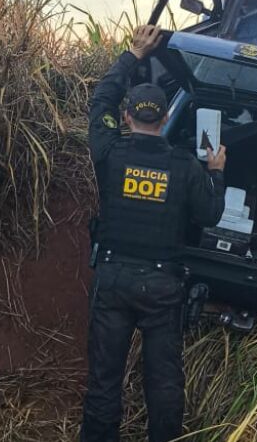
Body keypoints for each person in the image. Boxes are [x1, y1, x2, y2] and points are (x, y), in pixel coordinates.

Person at [80, 25, 227, 442]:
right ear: (164, 120)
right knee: (163, 384)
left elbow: (100, 100)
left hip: (112, 279)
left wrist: (133, 54)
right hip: (162, 285)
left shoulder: (109, 153)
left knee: (104, 383)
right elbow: (212, 215)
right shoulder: (185, 167)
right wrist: (217, 172)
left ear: (127, 117)